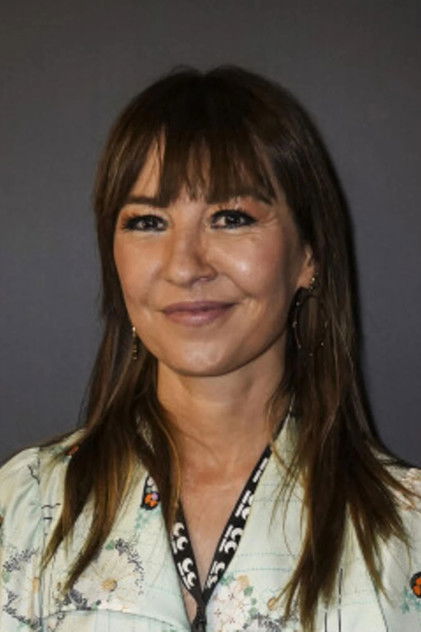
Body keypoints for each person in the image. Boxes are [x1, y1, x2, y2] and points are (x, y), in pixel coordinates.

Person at [0, 66, 420, 632]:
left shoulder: (408, 533)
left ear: (308, 255)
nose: (184, 266)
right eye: (148, 222)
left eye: (230, 218)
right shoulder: (24, 509)